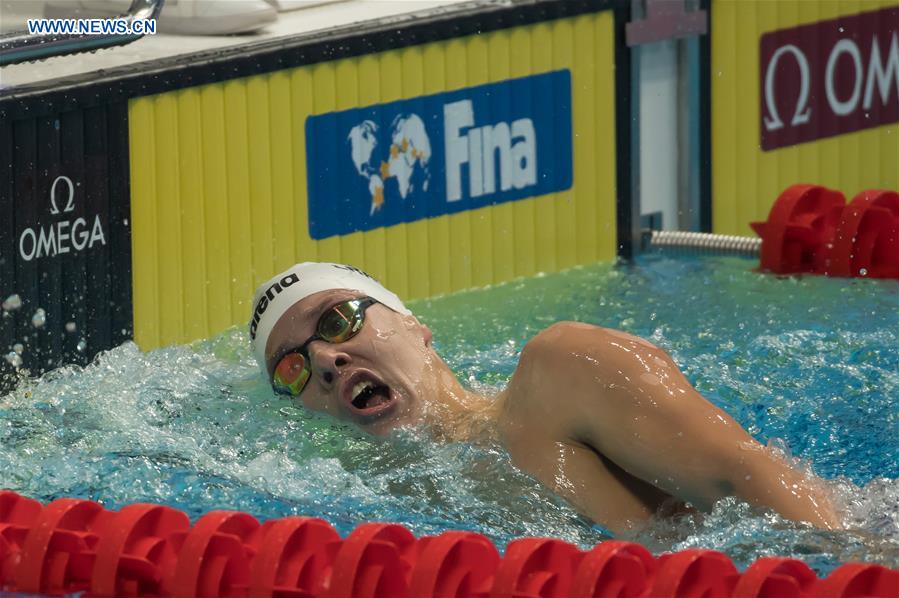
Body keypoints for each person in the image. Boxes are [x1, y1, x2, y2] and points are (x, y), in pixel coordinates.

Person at [250, 262, 843, 534]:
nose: (325, 360)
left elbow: (748, 478)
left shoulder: (562, 373)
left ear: (413, 324)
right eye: (292, 369)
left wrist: (848, 563)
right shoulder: (371, 502)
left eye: (339, 321)